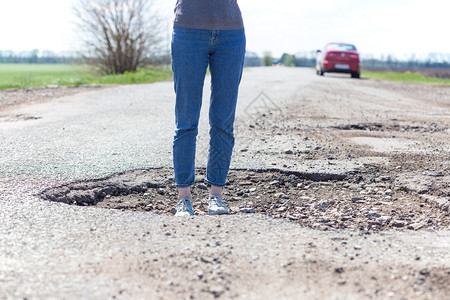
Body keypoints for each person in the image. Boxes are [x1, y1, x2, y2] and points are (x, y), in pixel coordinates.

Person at [171, 0, 246, 216]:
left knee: (223, 120)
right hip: (188, 31)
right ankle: (184, 198)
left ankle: (216, 196)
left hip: (231, 33)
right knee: (186, 120)